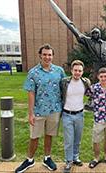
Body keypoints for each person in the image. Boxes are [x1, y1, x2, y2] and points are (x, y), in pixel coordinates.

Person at [15, 44, 66, 173]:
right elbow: (31, 93)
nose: (47, 57)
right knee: (34, 137)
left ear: (53, 56)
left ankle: (47, 158)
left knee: (49, 135)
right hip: (38, 111)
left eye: (49, 55)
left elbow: (64, 89)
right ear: (40, 55)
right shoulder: (33, 72)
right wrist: (30, 113)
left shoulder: (59, 71)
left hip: (54, 110)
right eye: (45, 54)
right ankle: (29, 160)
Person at [61, 60, 90, 173]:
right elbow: (60, 95)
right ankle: (68, 161)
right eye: (75, 70)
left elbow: (91, 94)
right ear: (71, 70)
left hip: (80, 115)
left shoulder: (86, 82)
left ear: (82, 72)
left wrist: (87, 105)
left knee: (77, 139)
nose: (77, 72)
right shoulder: (64, 82)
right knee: (69, 140)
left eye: (80, 71)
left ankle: (75, 157)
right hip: (67, 114)